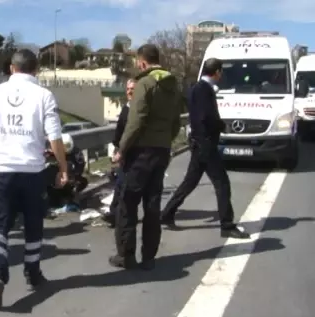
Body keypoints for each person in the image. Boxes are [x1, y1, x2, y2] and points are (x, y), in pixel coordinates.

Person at [0, 49, 68, 310]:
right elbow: (55, 137)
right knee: (33, 224)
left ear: (11, 69)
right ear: (35, 70)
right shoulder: (44, 96)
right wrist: (62, 167)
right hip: (32, 172)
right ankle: (33, 273)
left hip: (1, 170)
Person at [110, 44, 182, 270]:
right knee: (152, 205)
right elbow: (176, 122)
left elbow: (136, 120)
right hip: (161, 152)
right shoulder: (172, 85)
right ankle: (149, 257)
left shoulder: (145, 83)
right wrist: (165, 142)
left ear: (142, 62)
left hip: (140, 153)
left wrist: (122, 148)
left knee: (127, 204)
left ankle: (126, 255)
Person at [160, 58, 248, 239]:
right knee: (222, 183)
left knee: (189, 182)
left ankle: (167, 214)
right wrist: (221, 126)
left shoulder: (197, 88)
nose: (221, 75)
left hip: (200, 143)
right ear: (217, 72)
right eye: (221, 71)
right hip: (205, 144)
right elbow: (205, 117)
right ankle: (227, 225)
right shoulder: (203, 90)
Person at [102, 78, 135, 227]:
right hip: (125, 153)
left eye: (132, 89)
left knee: (124, 185)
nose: (129, 91)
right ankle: (114, 213)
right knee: (121, 184)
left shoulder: (138, 110)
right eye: (128, 89)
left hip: (135, 154)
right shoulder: (126, 108)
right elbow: (119, 132)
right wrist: (117, 148)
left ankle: (118, 214)